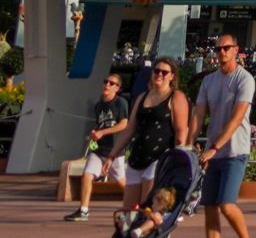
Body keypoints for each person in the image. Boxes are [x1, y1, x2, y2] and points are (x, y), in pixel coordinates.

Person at [193, 34, 256, 238]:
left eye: (226, 48)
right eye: (218, 48)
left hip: (234, 152)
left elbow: (237, 118)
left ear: (236, 50)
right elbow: (199, 114)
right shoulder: (209, 80)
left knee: (226, 206)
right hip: (213, 154)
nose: (222, 51)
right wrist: (189, 142)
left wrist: (215, 147)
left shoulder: (244, 79)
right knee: (210, 206)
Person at [120, 58, 191, 222]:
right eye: (156, 71)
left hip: (159, 159)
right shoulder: (142, 97)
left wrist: (179, 159)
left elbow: (181, 133)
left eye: (164, 72)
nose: (159, 74)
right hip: (137, 158)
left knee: (148, 209)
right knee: (128, 213)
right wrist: (112, 155)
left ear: (172, 76)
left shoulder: (176, 97)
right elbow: (129, 129)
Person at [62, 70, 132, 221]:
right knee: (87, 175)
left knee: (121, 182)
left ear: (117, 88)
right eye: (106, 82)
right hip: (99, 149)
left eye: (112, 83)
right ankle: (83, 210)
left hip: (115, 150)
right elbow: (100, 125)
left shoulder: (121, 102)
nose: (107, 85)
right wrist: (95, 133)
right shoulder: (98, 105)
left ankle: (135, 208)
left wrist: (104, 132)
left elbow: (123, 124)